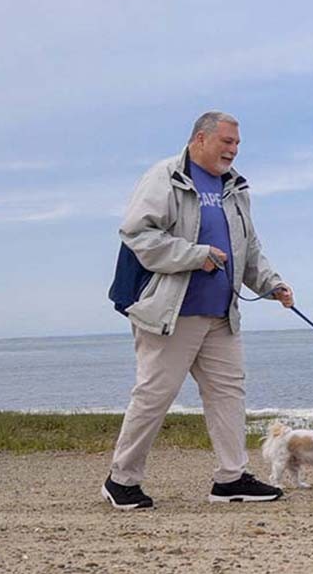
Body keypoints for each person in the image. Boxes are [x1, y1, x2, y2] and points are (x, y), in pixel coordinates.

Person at [103, 110, 294, 508]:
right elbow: (137, 233)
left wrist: (271, 283)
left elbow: (249, 246)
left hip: (222, 315)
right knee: (154, 395)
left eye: (237, 144)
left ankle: (231, 478)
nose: (233, 150)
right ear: (200, 139)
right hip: (173, 314)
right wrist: (196, 255)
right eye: (227, 142)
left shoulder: (236, 187)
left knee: (228, 395)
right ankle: (121, 480)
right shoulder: (165, 177)